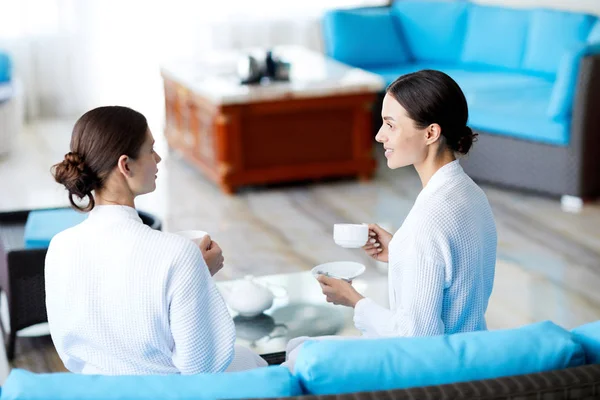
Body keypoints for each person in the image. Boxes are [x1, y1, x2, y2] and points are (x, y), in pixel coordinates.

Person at [45, 105, 266, 375]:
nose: (158, 158)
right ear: (125, 165)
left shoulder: (60, 247)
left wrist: (190, 276)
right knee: (258, 360)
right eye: (150, 149)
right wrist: (197, 274)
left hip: (96, 391)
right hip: (168, 391)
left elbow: (73, 347)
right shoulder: (177, 254)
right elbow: (201, 368)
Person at [317, 69, 498, 338]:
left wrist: (355, 300)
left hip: (439, 375)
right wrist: (401, 251)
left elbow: (416, 338)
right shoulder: (471, 194)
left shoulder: (428, 221)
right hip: (471, 354)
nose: (379, 136)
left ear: (430, 133)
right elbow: (457, 271)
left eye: (390, 125)